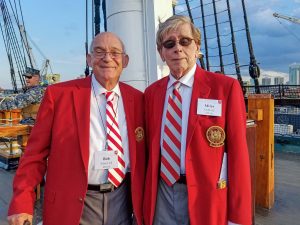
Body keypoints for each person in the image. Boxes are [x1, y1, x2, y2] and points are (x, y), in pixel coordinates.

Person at [7, 32, 145, 225]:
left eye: (115, 52)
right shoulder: (58, 95)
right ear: (89, 59)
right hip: (73, 204)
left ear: (125, 60)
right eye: (99, 51)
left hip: (121, 201)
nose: (107, 58)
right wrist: (21, 202)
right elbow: (34, 154)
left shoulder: (138, 99)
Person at [143, 15, 251, 225]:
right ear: (161, 52)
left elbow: (238, 154)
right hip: (162, 195)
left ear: (197, 46)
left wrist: (238, 217)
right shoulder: (151, 94)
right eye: (169, 43)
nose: (178, 48)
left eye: (185, 41)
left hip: (207, 197)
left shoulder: (225, 88)